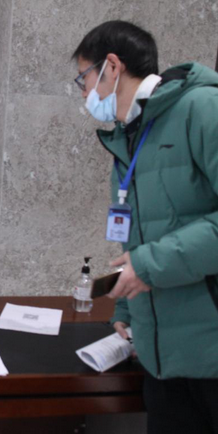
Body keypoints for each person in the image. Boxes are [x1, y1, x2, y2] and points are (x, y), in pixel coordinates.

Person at [73, 20, 218, 433]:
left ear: (112, 66)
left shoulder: (203, 109)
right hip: (163, 356)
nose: (83, 93)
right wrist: (125, 307)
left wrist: (149, 265)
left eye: (84, 78)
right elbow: (138, 239)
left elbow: (150, 257)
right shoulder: (129, 138)